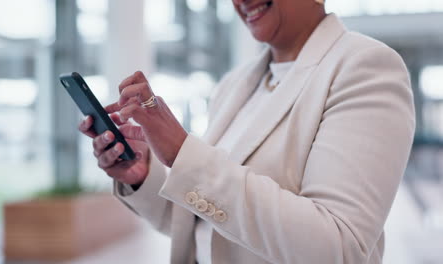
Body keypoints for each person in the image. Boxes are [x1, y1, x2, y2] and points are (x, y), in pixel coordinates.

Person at [78, 0, 415, 263]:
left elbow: (339, 249)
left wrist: (183, 153)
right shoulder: (233, 86)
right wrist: (142, 175)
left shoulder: (364, 67)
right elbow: (208, 223)